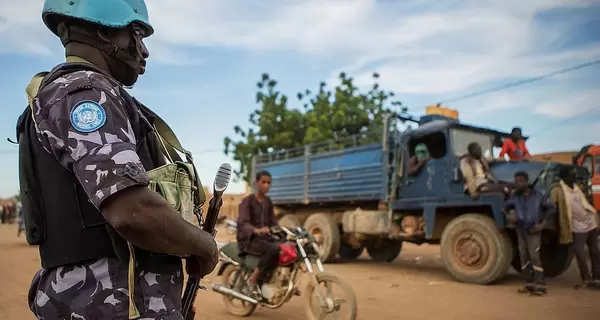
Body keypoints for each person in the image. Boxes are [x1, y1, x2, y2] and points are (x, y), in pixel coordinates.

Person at [18, 1, 218, 319]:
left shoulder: (84, 93)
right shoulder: (85, 94)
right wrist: (203, 245)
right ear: (105, 30)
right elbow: (131, 210)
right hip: (108, 304)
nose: (144, 51)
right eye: (138, 34)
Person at [505, 171, 556, 296]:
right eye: (516, 181)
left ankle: (540, 285)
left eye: (520, 180)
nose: (518, 183)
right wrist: (509, 216)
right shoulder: (516, 196)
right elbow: (505, 207)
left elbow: (552, 209)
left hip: (534, 230)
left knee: (534, 256)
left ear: (527, 181)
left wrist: (542, 225)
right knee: (524, 256)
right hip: (520, 229)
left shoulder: (539, 195)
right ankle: (528, 284)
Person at [551, 166, 600, 289]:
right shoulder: (558, 190)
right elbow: (551, 205)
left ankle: (596, 277)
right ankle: (586, 278)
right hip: (577, 227)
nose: (575, 176)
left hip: (590, 222)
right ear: (565, 176)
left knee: (594, 251)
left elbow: (586, 202)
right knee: (579, 252)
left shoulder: (577, 187)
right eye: (572, 174)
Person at [237, 170, 280, 294]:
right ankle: (253, 278)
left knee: (283, 246)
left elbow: (273, 221)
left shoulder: (268, 202)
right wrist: (256, 230)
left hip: (264, 238)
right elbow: (243, 223)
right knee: (272, 249)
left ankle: (269, 280)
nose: (266, 185)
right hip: (249, 239)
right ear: (256, 183)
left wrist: (280, 229)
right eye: (264, 182)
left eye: (269, 183)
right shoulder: (247, 201)